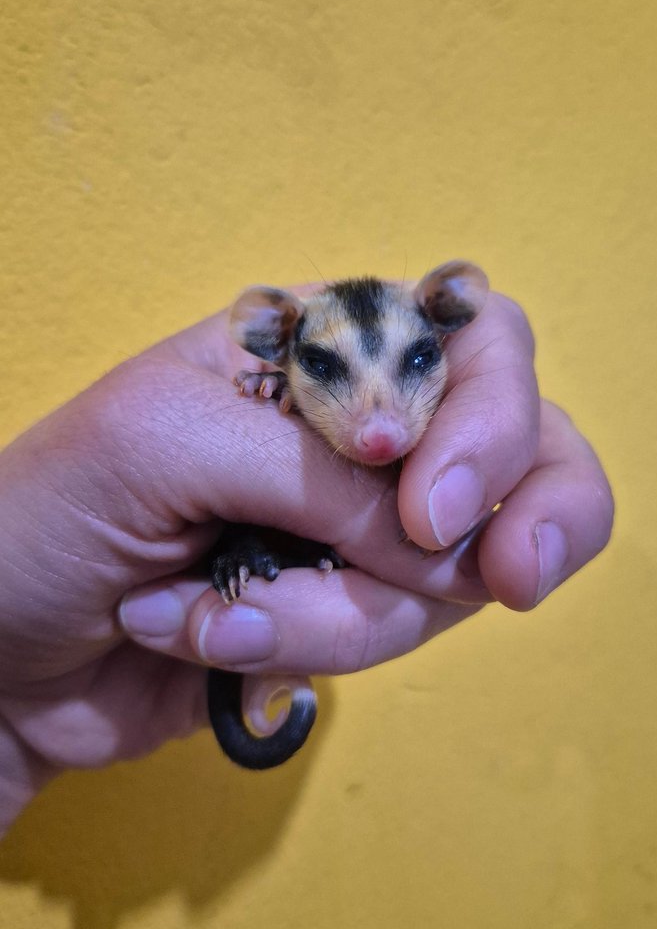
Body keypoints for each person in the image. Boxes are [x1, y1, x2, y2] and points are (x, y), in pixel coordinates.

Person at [0, 286, 613, 836]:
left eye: (418, 361)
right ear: (277, 349)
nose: (379, 427)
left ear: (445, 341)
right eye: (323, 366)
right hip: (241, 549)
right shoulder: (264, 390)